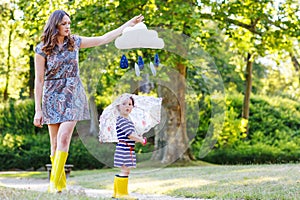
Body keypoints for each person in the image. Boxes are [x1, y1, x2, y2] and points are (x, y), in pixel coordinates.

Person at [33, 9, 144, 193]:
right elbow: (39, 80)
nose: (68, 27)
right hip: (51, 95)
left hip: (73, 93)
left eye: (69, 23)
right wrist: (38, 109)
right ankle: (59, 186)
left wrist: (127, 25)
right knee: (54, 143)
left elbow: (102, 38)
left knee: (64, 136)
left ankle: (53, 185)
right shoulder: (42, 48)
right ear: (55, 25)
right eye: (64, 24)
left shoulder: (75, 42)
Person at [113, 95, 147, 199]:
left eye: (130, 104)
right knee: (125, 171)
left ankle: (116, 193)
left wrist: (138, 137)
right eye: (124, 104)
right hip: (124, 149)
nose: (127, 106)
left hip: (125, 148)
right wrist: (141, 140)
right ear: (118, 107)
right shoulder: (122, 120)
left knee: (124, 170)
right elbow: (130, 135)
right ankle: (122, 194)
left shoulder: (127, 120)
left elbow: (132, 134)